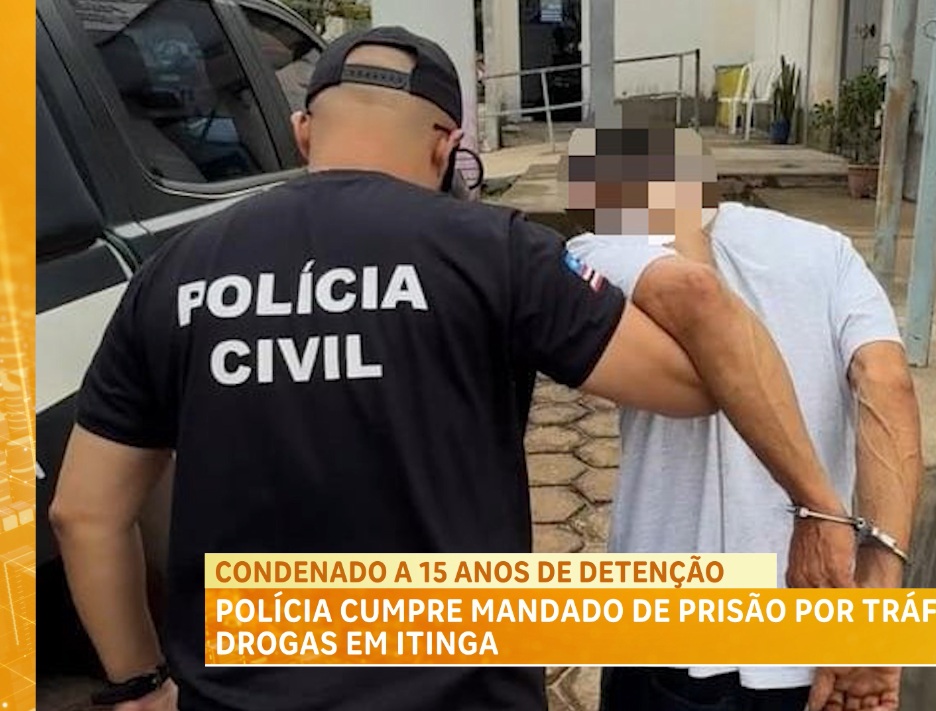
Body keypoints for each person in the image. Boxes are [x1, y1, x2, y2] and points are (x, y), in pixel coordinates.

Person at [49, 29, 858, 711]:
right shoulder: (496, 251)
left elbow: (83, 514)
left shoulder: (175, 271)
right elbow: (696, 383)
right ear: (444, 145)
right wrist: (672, 222)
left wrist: (141, 683)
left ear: (302, 132)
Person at [565, 127, 925, 711]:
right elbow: (887, 382)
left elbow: (697, 294)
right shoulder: (826, 249)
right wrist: (878, 601)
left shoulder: (601, 252)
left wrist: (819, 511)